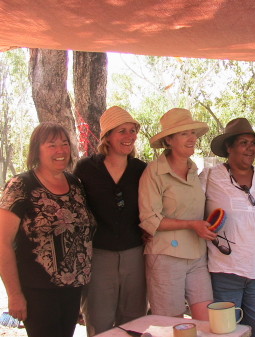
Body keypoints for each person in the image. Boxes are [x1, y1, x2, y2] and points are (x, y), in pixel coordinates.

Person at [0, 122, 96, 337]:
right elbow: (2, 244)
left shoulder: (75, 184)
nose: (60, 151)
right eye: (51, 145)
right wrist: (14, 295)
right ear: (37, 150)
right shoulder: (21, 185)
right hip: (37, 291)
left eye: (64, 144)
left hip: (73, 290)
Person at [200, 118, 255, 337]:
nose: (250, 148)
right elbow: (188, 207)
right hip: (225, 271)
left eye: (253, 143)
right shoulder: (210, 176)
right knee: (225, 332)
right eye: (244, 142)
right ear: (229, 147)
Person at [73, 106, 147, 336]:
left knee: (134, 321)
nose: (129, 136)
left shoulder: (141, 170)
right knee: (99, 321)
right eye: (122, 131)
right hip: (98, 255)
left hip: (135, 254)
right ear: (107, 136)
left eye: (133, 130)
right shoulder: (86, 168)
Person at [138, 108, 215, 320]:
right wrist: (192, 225)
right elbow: (149, 219)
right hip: (165, 257)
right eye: (184, 133)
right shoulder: (153, 172)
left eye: (193, 133)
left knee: (208, 322)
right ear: (169, 140)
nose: (192, 138)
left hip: (197, 255)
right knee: (171, 325)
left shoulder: (194, 170)